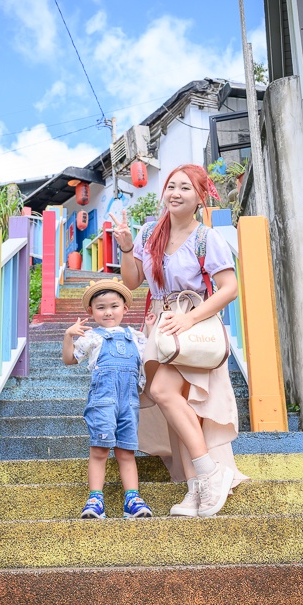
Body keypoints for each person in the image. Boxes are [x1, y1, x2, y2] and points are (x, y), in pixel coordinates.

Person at [109, 164, 247, 518]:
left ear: (200, 197)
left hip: (192, 323)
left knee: (165, 393)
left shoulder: (207, 238)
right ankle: (195, 486)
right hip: (159, 325)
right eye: (171, 186)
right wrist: (126, 248)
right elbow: (133, 282)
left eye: (185, 188)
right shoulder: (149, 234)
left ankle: (209, 473)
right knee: (179, 409)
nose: (175, 193)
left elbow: (229, 288)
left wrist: (188, 318)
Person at [62, 278, 153, 519]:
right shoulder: (92, 337)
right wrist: (68, 336)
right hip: (102, 402)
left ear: (125, 308)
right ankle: (95, 499)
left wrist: (152, 331)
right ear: (91, 311)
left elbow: (152, 358)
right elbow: (70, 359)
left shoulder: (136, 336)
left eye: (114, 306)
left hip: (130, 403)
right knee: (100, 449)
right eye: (101, 307)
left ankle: (132, 499)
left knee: (126, 451)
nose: (108, 312)